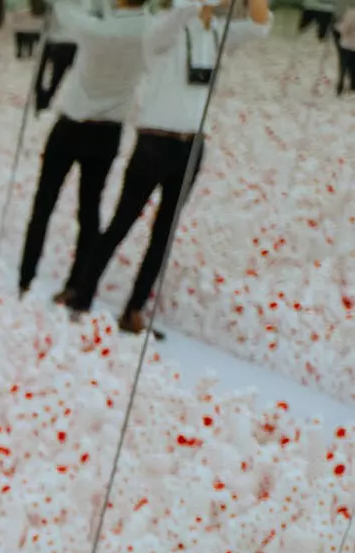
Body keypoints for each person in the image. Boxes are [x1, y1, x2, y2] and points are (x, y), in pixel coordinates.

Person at [63, 0, 267, 331]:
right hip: (154, 142)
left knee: (163, 233)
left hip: (191, 145)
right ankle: (82, 294)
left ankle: (134, 309)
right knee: (122, 223)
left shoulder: (215, 32)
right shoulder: (163, 26)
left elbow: (259, 26)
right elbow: (175, 19)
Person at [15, 0, 153, 301]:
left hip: (72, 126)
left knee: (44, 203)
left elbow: (65, 10)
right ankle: (76, 285)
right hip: (108, 130)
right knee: (90, 210)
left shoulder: (97, 29)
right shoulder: (149, 30)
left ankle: (25, 279)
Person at [338, 4, 355, 94]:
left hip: (347, 44)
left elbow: (343, 28)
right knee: (353, 67)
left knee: (343, 66)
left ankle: (340, 86)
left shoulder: (351, 12)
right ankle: (353, 85)